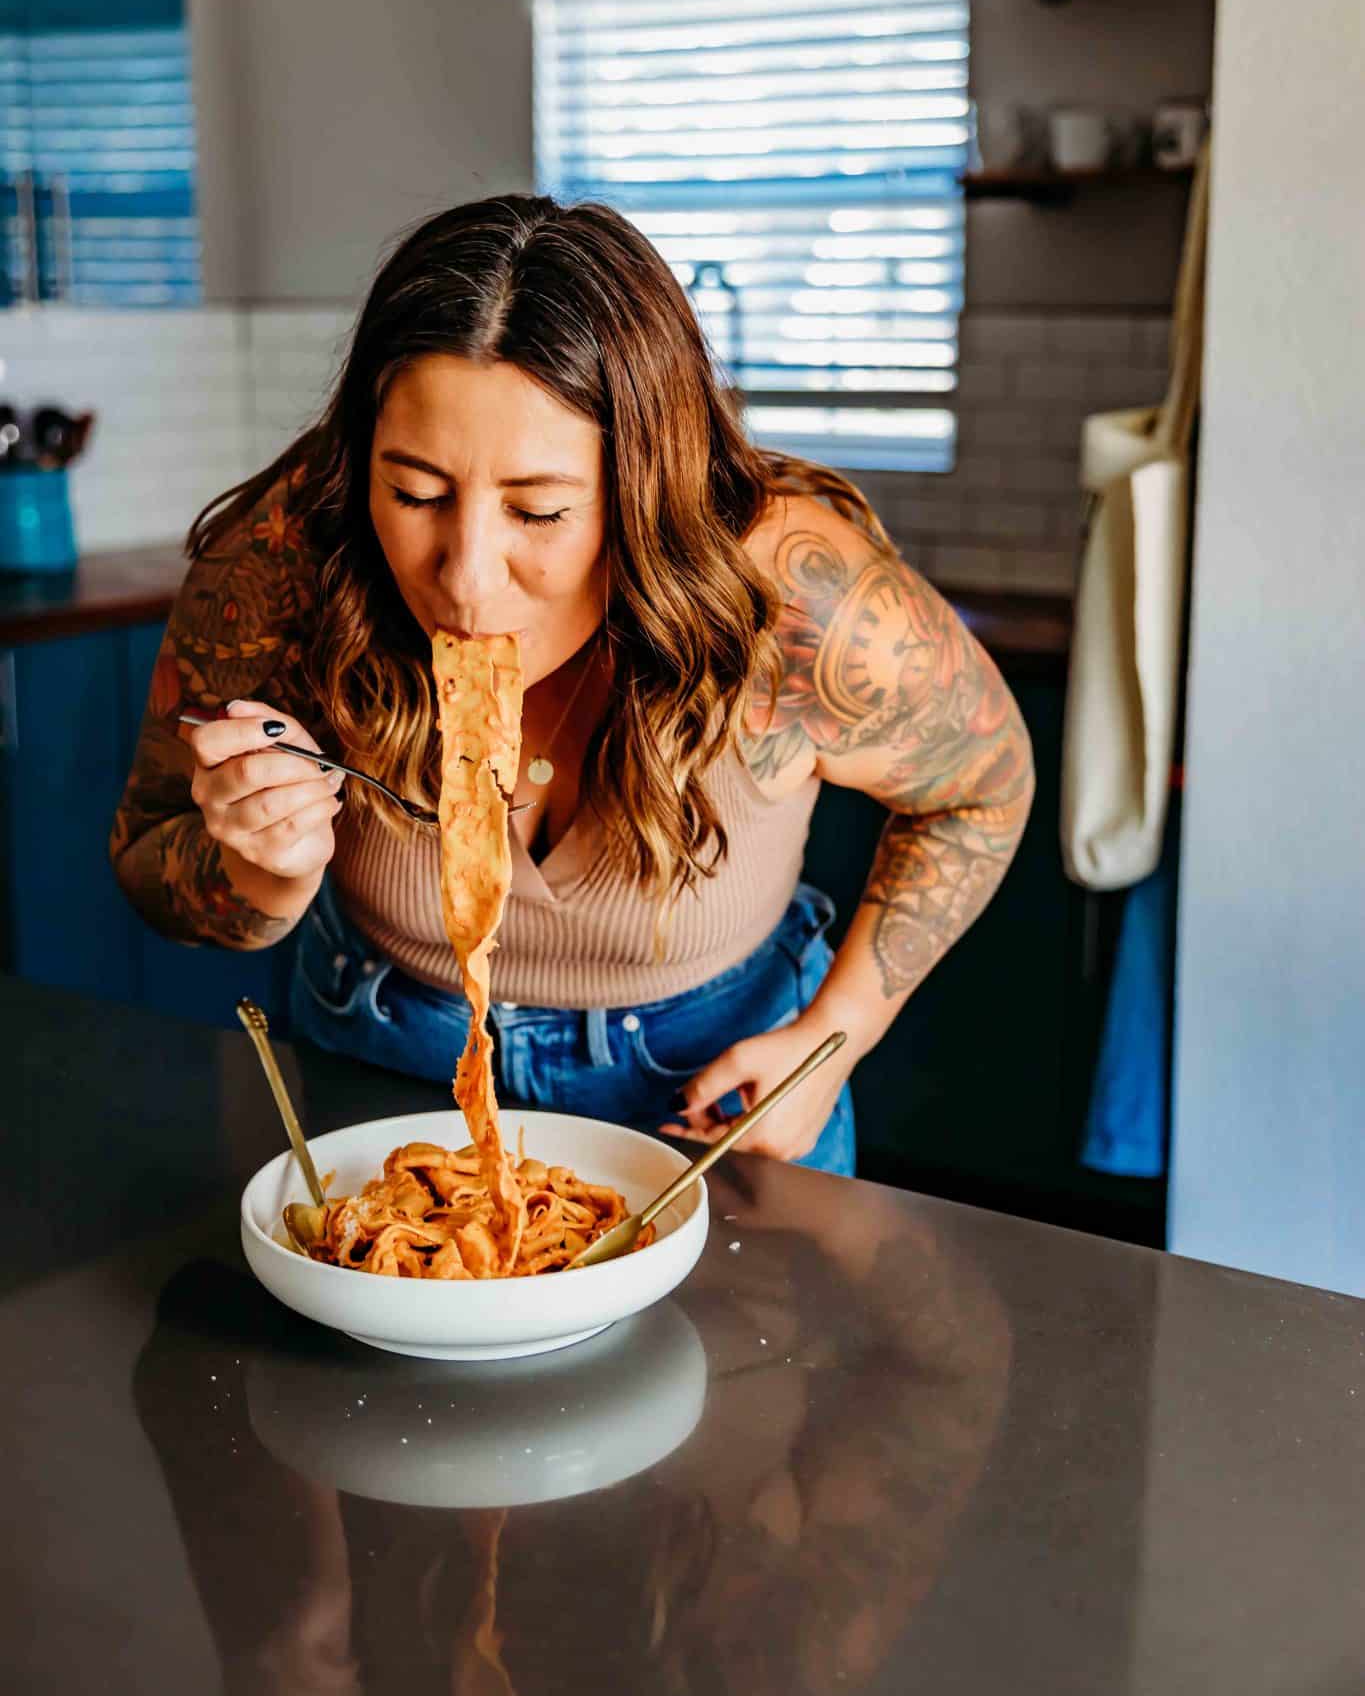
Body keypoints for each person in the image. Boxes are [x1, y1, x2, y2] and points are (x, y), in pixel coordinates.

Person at [110, 195, 1034, 1174]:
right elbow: (147, 859)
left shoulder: (798, 596)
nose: (466, 579)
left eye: (539, 511)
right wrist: (266, 871)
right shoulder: (290, 555)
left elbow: (982, 788)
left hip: (709, 1084)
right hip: (379, 1057)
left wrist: (833, 1036)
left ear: (649, 493)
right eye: (415, 493)